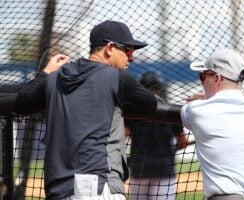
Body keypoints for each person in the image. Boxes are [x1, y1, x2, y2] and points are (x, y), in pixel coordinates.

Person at [14, 20, 157, 200]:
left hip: (57, 188)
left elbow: (22, 104)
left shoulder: (55, 78)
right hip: (98, 185)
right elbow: (151, 104)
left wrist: (46, 72)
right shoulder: (117, 78)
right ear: (110, 48)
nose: (132, 57)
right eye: (128, 50)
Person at [180, 48, 244, 200]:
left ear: (217, 79)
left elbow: (188, 111)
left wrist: (206, 99)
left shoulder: (197, 109)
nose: (202, 81)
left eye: (203, 76)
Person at [125, 71, 187, 200]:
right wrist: (169, 150)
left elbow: (124, 135)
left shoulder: (133, 111)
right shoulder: (171, 111)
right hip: (164, 168)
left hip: (140, 167)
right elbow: (183, 142)